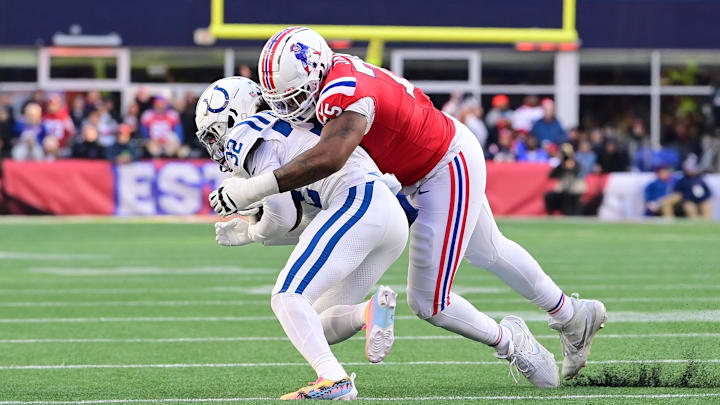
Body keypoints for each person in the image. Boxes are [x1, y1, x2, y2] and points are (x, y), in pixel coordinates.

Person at [211, 27, 606, 388]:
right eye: (281, 102)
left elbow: (327, 158)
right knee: (490, 250)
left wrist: (249, 191)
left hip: (443, 166)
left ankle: (515, 342)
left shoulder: (343, 92)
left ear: (316, 74)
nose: (291, 110)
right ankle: (572, 315)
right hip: (425, 166)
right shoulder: (331, 75)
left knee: (430, 301)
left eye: (296, 98)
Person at [197, 77, 409, 400]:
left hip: (358, 200)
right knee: (315, 322)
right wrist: (253, 229)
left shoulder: (250, 132)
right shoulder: (284, 126)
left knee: (287, 295)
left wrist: (254, 231)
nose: (215, 145)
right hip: (387, 215)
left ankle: (334, 379)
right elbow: (299, 222)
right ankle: (369, 312)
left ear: (233, 115)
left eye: (214, 133)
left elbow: (280, 215)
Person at [545, 144, 585, 216]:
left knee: (568, 198)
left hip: (574, 189)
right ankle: (551, 216)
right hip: (563, 189)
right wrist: (561, 166)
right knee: (548, 196)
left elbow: (578, 172)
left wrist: (569, 167)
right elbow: (551, 175)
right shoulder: (561, 164)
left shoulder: (575, 163)